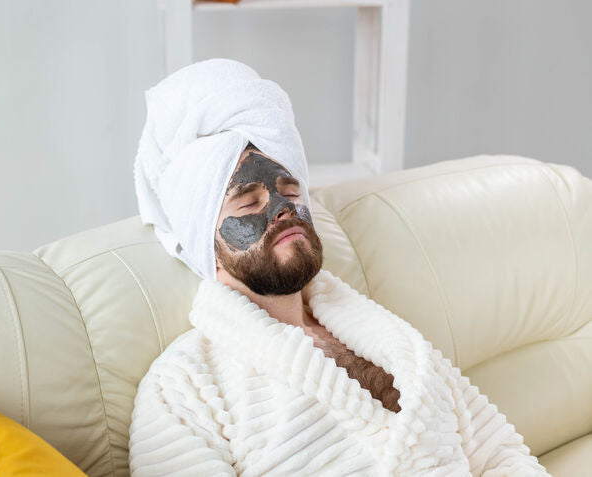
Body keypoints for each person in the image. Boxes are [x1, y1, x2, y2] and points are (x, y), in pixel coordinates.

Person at [129, 58, 549, 476]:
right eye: (248, 202)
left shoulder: (380, 333)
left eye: (290, 190)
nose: (283, 209)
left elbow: (496, 451)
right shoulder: (182, 387)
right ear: (207, 243)